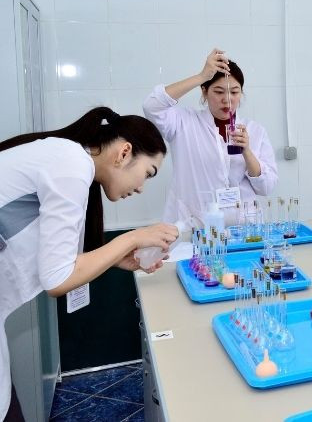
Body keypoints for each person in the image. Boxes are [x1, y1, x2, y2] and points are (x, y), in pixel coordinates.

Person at [0, 107, 177, 422]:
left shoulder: (70, 159)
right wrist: (132, 237)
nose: (141, 187)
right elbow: (58, 279)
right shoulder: (72, 164)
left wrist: (115, 259)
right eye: (148, 173)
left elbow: (58, 259)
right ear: (124, 152)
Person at [143, 49, 278, 223]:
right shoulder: (184, 122)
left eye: (234, 92)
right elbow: (152, 106)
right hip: (195, 225)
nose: (227, 99)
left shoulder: (255, 131)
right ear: (204, 92)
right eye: (219, 92)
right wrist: (201, 76)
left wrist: (247, 152)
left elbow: (267, 187)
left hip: (243, 227)